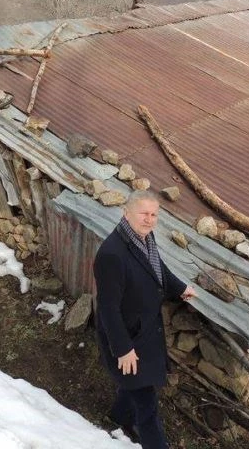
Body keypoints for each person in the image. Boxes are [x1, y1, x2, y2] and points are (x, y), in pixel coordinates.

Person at [94, 189, 196, 449]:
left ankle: (119, 416)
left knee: (136, 385)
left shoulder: (144, 238)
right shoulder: (112, 254)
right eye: (144, 214)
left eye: (154, 215)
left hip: (145, 330)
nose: (149, 220)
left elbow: (157, 268)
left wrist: (179, 288)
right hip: (127, 337)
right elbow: (107, 308)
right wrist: (123, 349)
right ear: (126, 213)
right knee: (147, 404)